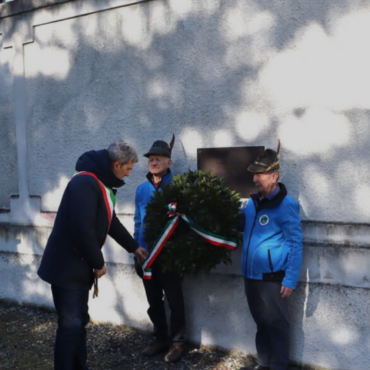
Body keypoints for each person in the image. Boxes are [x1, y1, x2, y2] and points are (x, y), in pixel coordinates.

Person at [38, 140, 148, 370]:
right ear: (116, 164)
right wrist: (98, 263)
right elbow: (82, 228)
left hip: (77, 266)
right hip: (67, 268)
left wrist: (133, 247)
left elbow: (110, 220)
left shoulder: (98, 183)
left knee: (78, 322)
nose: (128, 174)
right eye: (128, 169)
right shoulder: (85, 182)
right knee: (71, 325)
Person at [240, 143, 303, 370]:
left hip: (273, 277)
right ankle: (264, 362)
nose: (255, 180)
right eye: (254, 175)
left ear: (274, 176)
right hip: (250, 275)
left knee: (277, 324)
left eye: (260, 175)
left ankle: (278, 365)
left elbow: (295, 243)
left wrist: (290, 279)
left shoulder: (287, 206)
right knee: (261, 323)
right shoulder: (252, 203)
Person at [133, 135, 186, 363]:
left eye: (159, 159)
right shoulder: (141, 190)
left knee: (175, 301)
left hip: (171, 257)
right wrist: (137, 249)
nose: (154, 162)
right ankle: (160, 338)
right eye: (151, 159)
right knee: (154, 301)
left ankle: (177, 343)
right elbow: (137, 221)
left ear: (169, 163)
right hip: (146, 257)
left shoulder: (179, 188)